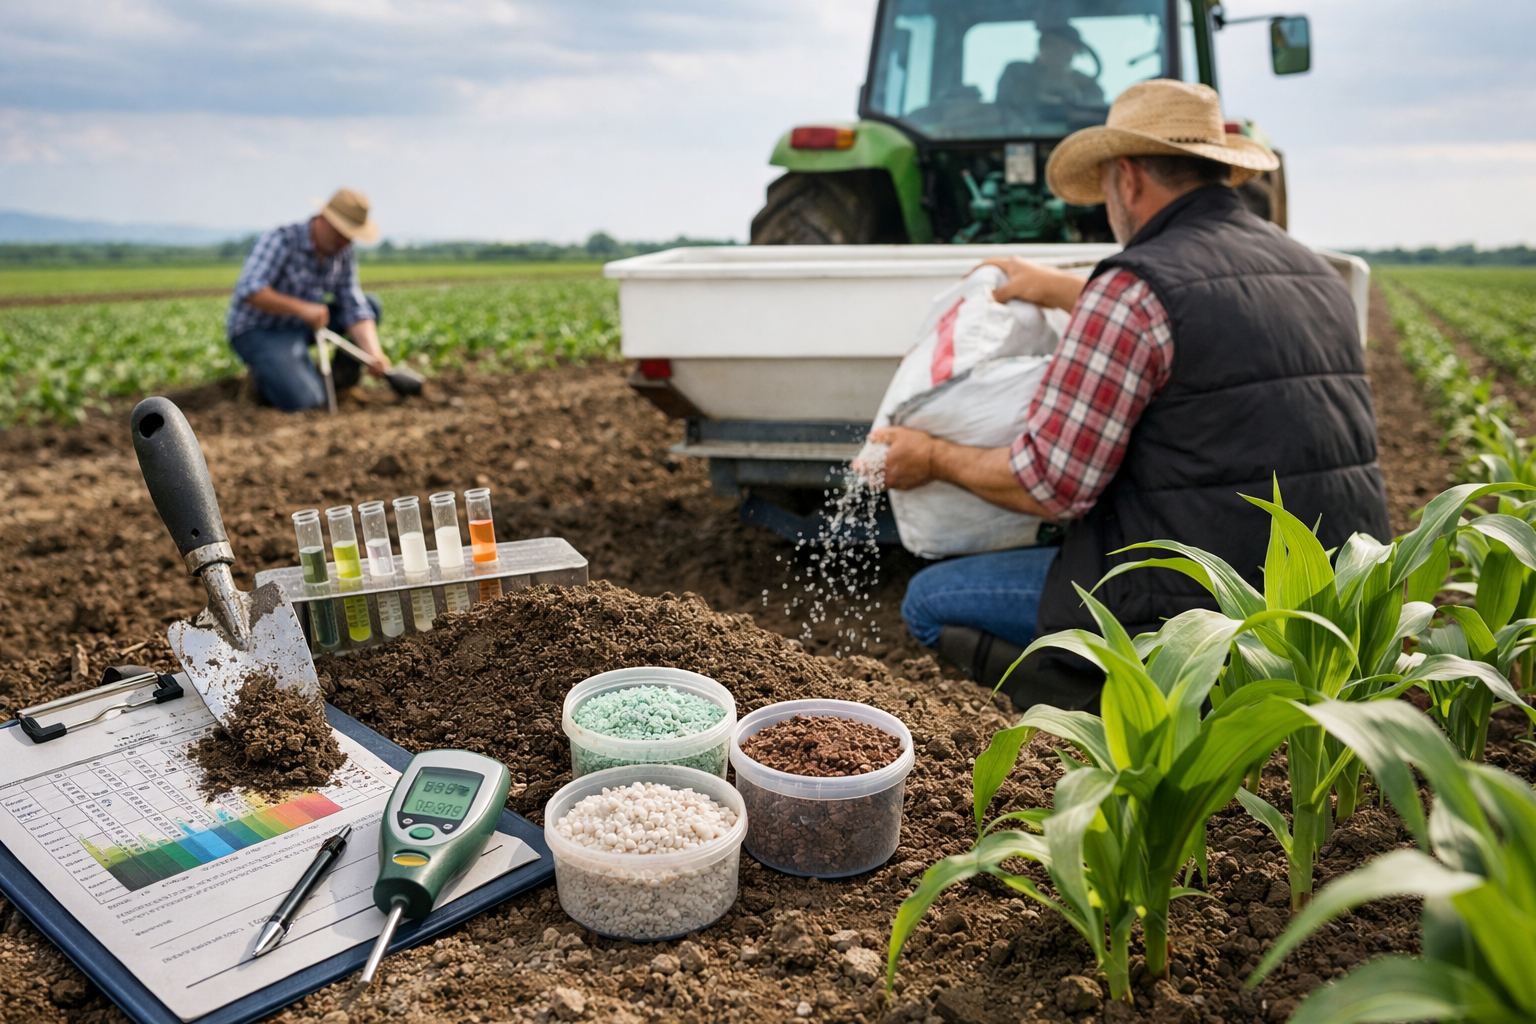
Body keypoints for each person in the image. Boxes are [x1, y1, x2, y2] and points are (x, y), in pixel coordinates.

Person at [876, 79, 1390, 711]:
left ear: (1126, 177)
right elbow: (1203, 317)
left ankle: (1139, 711)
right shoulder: (1316, 272)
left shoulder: (1133, 291)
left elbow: (1050, 485)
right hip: (1336, 603)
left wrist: (931, 457)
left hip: (1205, 612)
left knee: (928, 601)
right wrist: (1065, 288)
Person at [227, 188, 391, 411]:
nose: (344, 241)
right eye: (340, 232)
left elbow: (354, 306)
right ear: (323, 219)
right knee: (305, 403)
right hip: (259, 330)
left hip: (302, 327)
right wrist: (302, 309)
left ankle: (342, 386)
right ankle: (264, 378)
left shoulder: (342, 252)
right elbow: (249, 290)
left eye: (349, 236)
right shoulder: (282, 239)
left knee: (371, 305)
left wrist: (373, 353)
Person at [995, 24, 1105, 117]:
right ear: (1041, 47)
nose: (1061, 54)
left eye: (1067, 49)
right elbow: (1004, 108)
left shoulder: (1087, 85)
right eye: (1052, 45)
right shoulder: (1017, 74)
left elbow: (1095, 115)